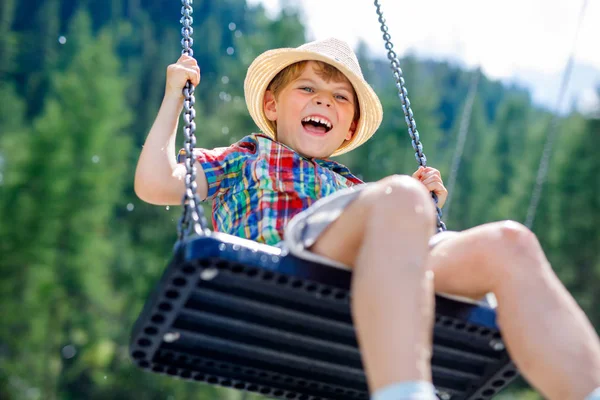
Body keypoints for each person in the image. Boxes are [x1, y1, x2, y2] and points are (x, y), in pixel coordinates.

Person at [134, 38, 600, 400]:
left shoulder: (359, 190)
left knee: (508, 242)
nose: (325, 103)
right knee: (400, 196)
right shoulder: (247, 156)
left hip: (363, 279)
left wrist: (420, 212)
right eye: (308, 89)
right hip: (280, 270)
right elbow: (156, 184)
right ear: (272, 106)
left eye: (341, 98)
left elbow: (395, 229)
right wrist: (176, 96)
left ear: (350, 127)